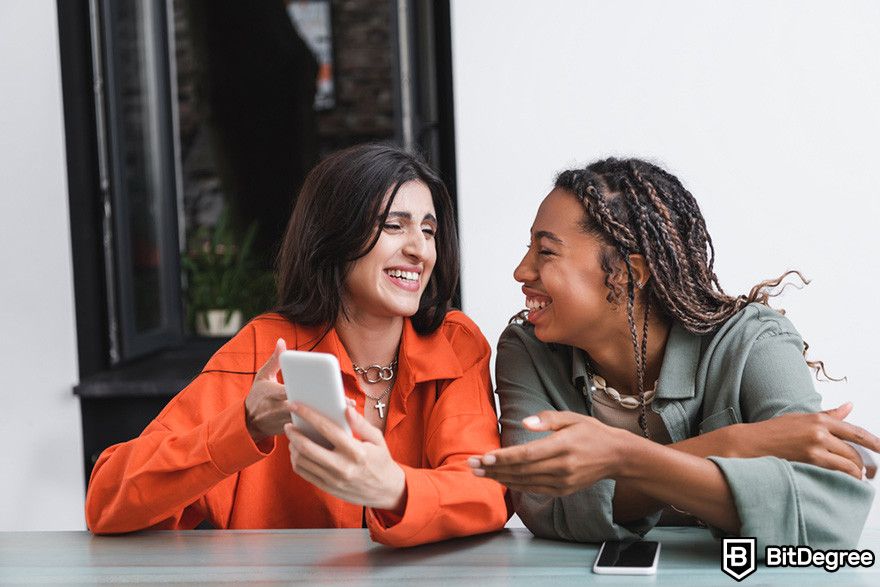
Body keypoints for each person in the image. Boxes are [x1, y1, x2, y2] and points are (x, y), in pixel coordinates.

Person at [86, 144, 508, 547]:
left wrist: (394, 490)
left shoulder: (455, 343)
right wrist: (243, 426)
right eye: (394, 226)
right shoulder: (266, 347)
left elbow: (486, 489)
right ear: (334, 237)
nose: (420, 250)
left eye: (429, 230)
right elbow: (107, 502)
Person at [468, 157, 878, 551]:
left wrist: (624, 460)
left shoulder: (754, 342)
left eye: (546, 251)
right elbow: (544, 506)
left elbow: (828, 518)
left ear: (632, 273)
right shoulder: (528, 350)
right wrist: (735, 444)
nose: (521, 271)